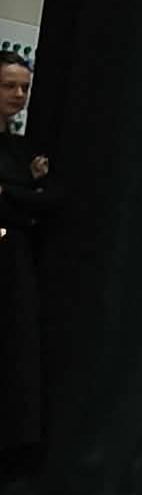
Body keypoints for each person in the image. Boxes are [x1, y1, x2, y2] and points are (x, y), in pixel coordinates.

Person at [0, 51, 56, 472]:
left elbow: (49, 202)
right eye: (9, 86)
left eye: (24, 88)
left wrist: (16, 194)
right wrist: (27, 194)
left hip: (14, 262)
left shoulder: (21, 148)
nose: (19, 95)